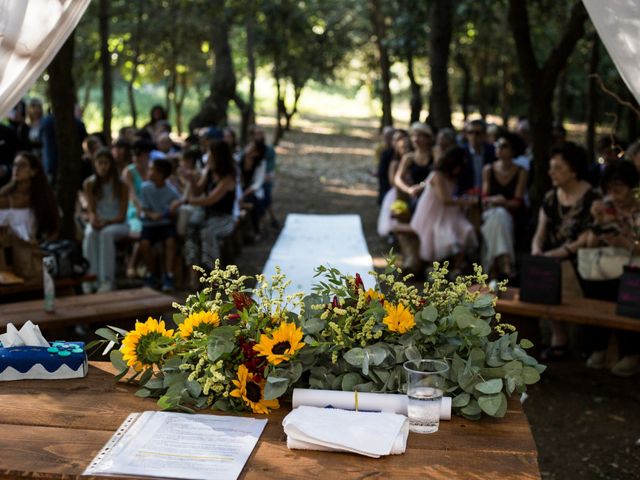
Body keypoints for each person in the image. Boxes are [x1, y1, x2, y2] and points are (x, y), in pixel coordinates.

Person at [531, 143, 601, 360]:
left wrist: (557, 254)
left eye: (558, 168)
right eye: (551, 167)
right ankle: (557, 336)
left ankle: (578, 340)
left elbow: (587, 237)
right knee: (542, 269)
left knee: (561, 269)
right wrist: (537, 251)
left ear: (573, 170)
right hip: (551, 258)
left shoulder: (592, 197)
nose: (551, 172)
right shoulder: (551, 197)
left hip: (579, 258)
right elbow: (540, 232)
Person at [581, 160, 640, 376]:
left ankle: (631, 353)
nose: (614, 194)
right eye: (610, 189)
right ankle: (599, 347)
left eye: (619, 188)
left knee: (630, 287)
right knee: (596, 286)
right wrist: (598, 224)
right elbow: (589, 246)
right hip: (606, 268)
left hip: (633, 268)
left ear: (632, 187)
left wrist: (626, 244)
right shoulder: (604, 208)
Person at [409, 146, 478, 274]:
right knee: (442, 237)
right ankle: (435, 269)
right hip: (433, 212)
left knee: (466, 230)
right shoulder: (437, 175)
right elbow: (445, 200)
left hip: (448, 213)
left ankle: (455, 269)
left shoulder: (452, 177)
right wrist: (467, 202)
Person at [182, 140, 237, 286]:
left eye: (210, 154)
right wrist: (192, 179)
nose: (208, 156)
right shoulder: (209, 171)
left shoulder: (228, 178)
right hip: (206, 214)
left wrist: (188, 201)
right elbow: (198, 191)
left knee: (208, 232)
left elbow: (210, 200)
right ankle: (193, 273)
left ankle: (213, 274)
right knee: (192, 228)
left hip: (223, 218)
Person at [481, 132, 528, 278]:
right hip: (490, 211)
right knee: (497, 215)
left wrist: (503, 203)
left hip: (511, 214)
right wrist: (495, 201)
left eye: (504, 146)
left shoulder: (521, 172)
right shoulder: (488, 170)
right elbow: (484, 199)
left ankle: (492, 264)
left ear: (513, 150)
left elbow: (518, 201)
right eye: (497, 145)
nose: (499, 149)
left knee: (500, 216)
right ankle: (506, 262)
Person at [82, 149, 129, 293]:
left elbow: (122, 215)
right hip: (100, 222)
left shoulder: (121, 185)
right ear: (95, 164)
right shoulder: (89, 183)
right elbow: (91, 210)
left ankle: (107, 280)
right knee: (90, 234)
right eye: (99, 163)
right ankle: (90, 278)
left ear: (111, 165)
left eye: (106, 163)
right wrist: (93, 220)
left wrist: (106, 223)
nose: (103, 167)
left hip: (117, 224)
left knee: (105, 234)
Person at [139, 158, 181, 291]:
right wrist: (152, 215)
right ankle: (151, 274)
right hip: (149, 224)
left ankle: (169, 275)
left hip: (165, 224)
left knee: (170, 242)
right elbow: (144, 209)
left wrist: (169, 212)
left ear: (161, 174)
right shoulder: (145, 188)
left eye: (152, 170)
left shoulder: (172, 191)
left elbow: (176, 210)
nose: (149, 172)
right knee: (144, 244)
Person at [0, 151, 59, 242]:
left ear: (33, 171)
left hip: (32, 247)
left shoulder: (42, 198)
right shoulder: (4, 196)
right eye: (15, 165)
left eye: (22, 165)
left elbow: (53, 229)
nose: (16, 169)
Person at [394, 122, 435, 211]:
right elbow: (397, 178)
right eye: (414, 136)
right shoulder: (409, 158)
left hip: (433, 197)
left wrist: (423, 186)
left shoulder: (435, 153)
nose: (416, 139)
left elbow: (437, 174)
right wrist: (408, 189)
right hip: (416, 198)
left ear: (428, 138)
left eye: (420, 136)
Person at [459, 119, 495, 193]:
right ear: (466, 135)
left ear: (484, 135)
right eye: (470, 132)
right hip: (465, 196)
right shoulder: (460, 153)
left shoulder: (493, 151)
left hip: (489, 195)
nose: (474, 136)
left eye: (477, 133)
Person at [376, 126, 395, 205]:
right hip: (383, 180)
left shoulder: (395, 151)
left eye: (389, 135)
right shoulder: (380, 148)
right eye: (386, 135)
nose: (387, 138)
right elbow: (378, 162)